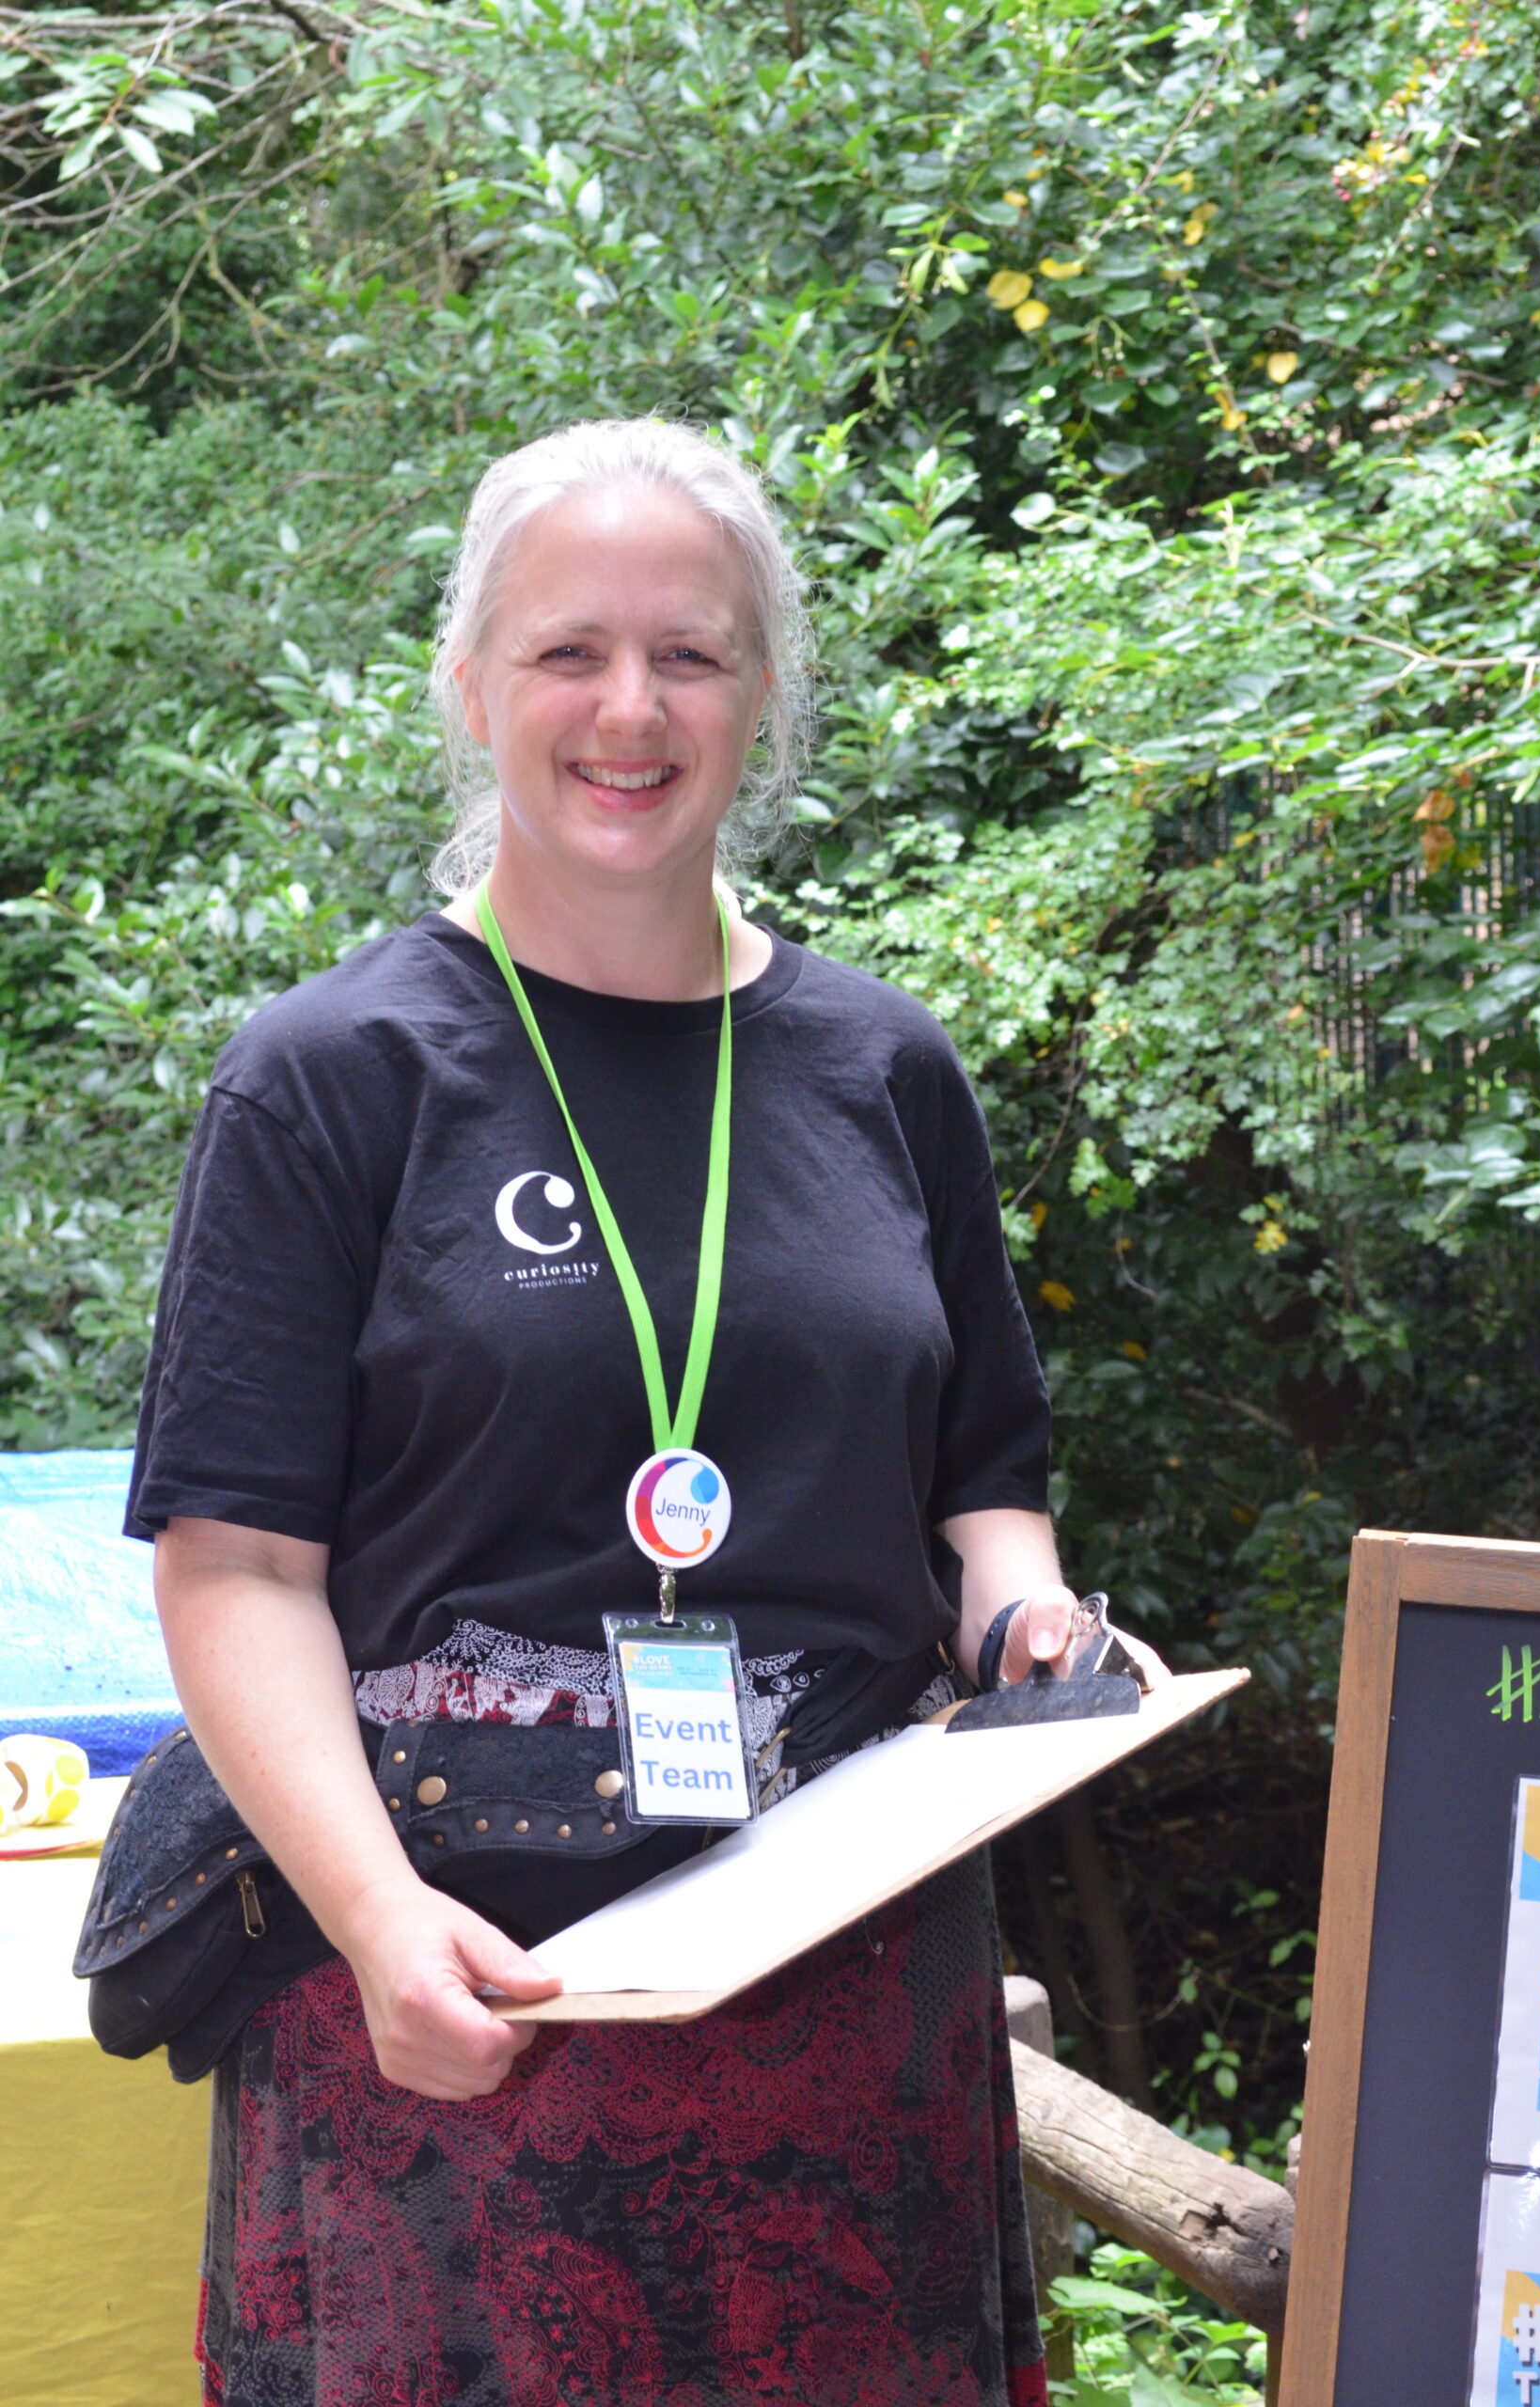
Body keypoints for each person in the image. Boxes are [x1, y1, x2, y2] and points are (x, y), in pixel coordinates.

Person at [127, 417, 1165, 2407]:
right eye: (566, 652)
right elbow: (239, 1564)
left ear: (758, 692)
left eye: (687, 654)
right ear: (468, 681)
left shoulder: (883, 1067)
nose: (629, 708)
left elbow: (981, 1488)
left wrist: (1029, 1624)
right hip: (460, 1994)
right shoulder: (331, 1076)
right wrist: (371, 1918)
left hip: (847, 1999)